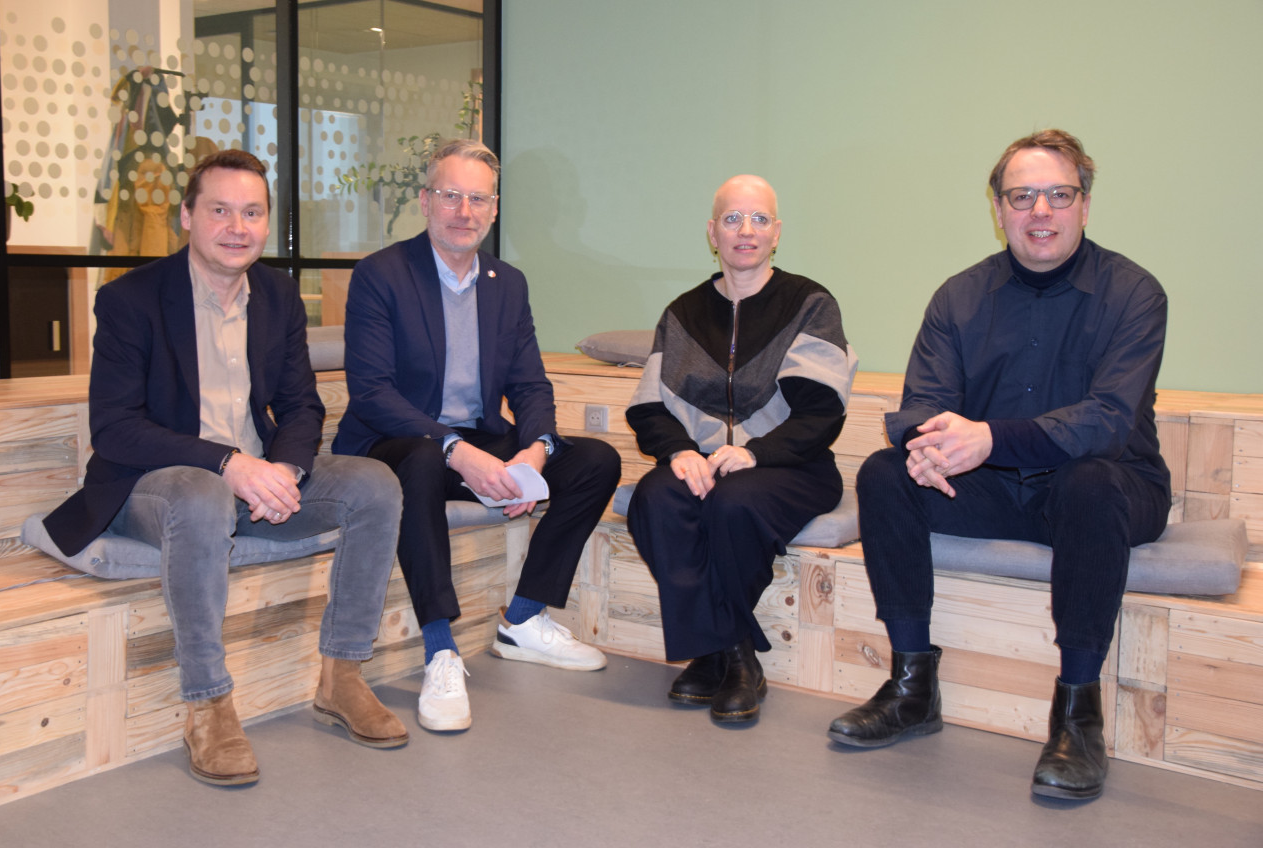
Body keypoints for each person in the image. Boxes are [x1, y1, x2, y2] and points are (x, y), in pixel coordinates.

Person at [40, 150, 407, 787]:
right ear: (186, 216)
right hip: (154, 487)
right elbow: (117, 428)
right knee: (203, 495)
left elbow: (299, 404)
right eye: (219, 210)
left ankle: (342, 675)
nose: (236, 226)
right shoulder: (131, 300)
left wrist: (286, 472)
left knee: (375, 484)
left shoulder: (277, 295)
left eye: (252, 212)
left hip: (252, 477)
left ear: (267, 224)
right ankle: (208, 706)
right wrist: (229, 463)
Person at [827, 129, 1170, 801]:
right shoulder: (959, 297)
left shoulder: (1135, 293)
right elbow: (923, 402)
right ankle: (911, 686)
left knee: (1088, 481)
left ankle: (1078, 715)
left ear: (1084, 205)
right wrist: (929, 447)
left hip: (1110, 486)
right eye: (1022, 196)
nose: (1040, 211)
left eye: (1058, 194)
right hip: (993, 489)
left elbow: (1107, 421)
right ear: (998, 208)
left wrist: (987, 439)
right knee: (882, 473)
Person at [332, 139, 622, 733]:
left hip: (476, 441)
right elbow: (372, 393)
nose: (464, 211)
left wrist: (535, 451)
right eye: (451, 196)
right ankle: (440, 649)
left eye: (478, 199)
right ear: (425, 201)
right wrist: (455, 451)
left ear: (493, 210)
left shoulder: (506, 283)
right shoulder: (381, 275)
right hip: (397, 444)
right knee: (418, 459)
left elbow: (532, 384)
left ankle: (523, 619)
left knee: (595, 460)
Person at [624, 175, 857, 723]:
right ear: (712, 232)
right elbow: (647, 407)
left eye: (758, 219)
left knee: (733, 503)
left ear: (777, 233)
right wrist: (679, 451)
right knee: (654, 498)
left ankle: (715, 652)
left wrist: (754, 452)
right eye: (732, 219)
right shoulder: (682, 313)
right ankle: (732, 654)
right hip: (703, 462)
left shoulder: (809, 304)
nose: (745, 230)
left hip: (792, 465)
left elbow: (822, 411)